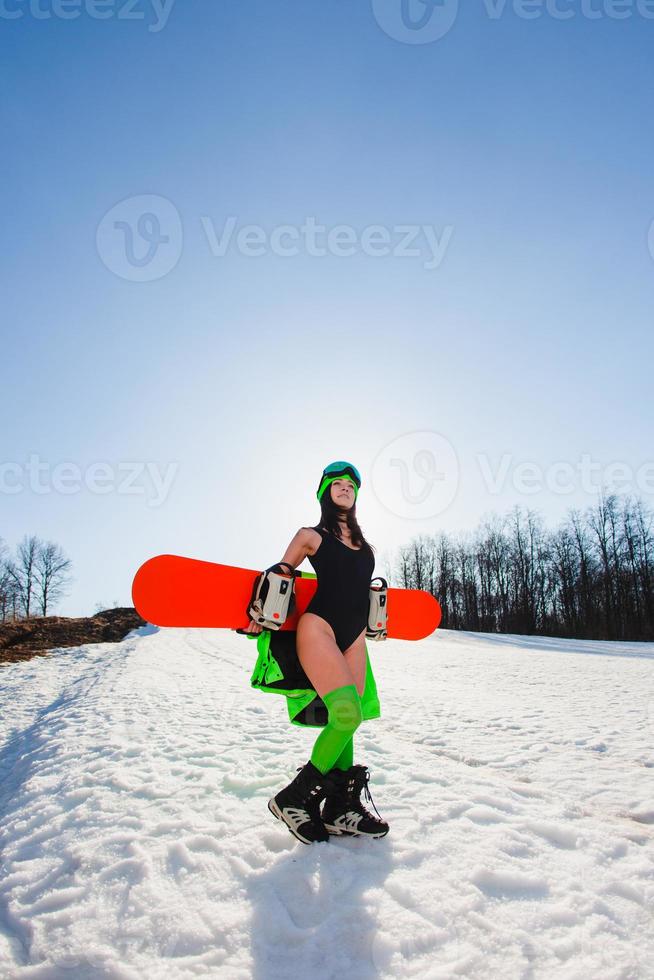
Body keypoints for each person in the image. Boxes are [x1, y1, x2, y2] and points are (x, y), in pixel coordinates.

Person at [247, 461, 389, 845]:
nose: (345, 488)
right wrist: (258, 615)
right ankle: (293, 798)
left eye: (350, 485)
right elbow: (279, 576)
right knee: (346, 714)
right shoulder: (310, 535)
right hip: (319, 627)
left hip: (354, 636)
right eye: (337, 483)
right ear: (325, 492)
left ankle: (340, 808)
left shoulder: (366, 548)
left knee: (351, 717)